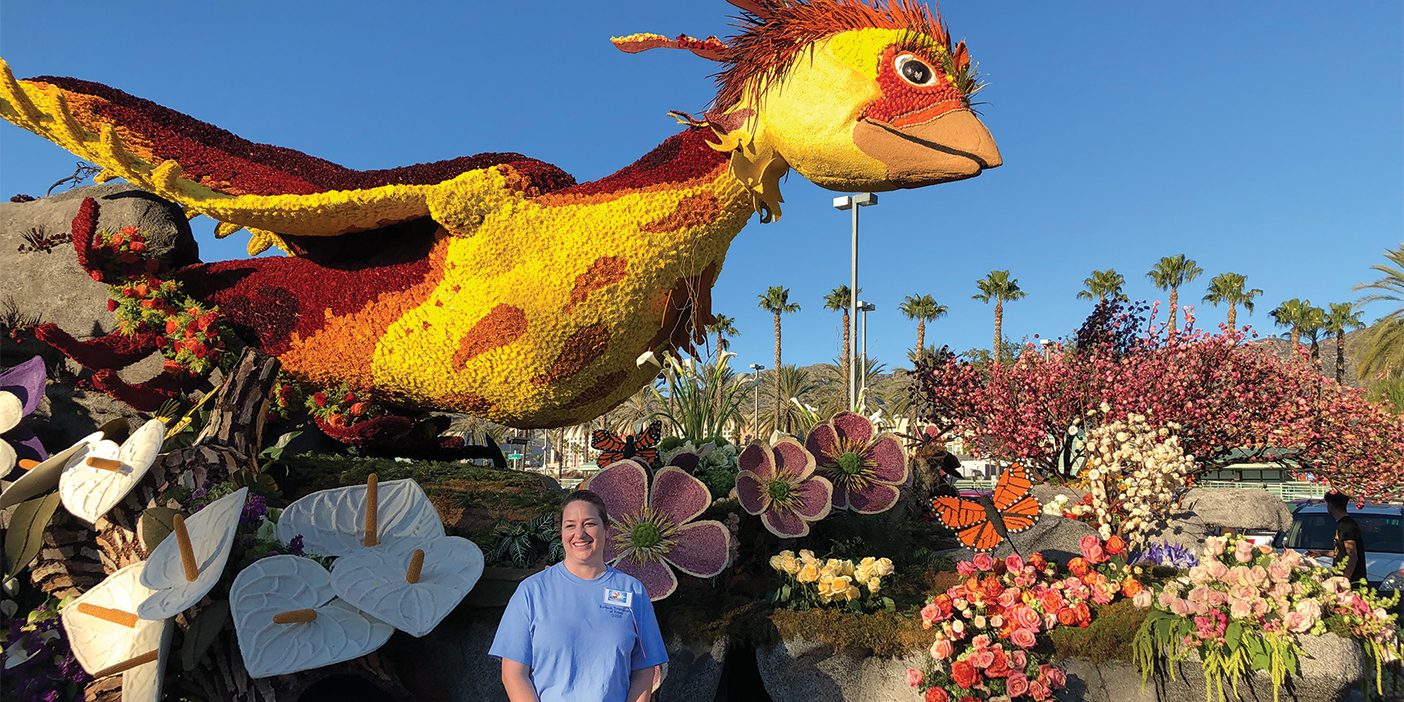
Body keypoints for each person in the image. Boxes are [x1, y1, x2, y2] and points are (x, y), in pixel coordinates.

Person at [490, 490, 667, 702]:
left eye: (589, 524)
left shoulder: (632, 592)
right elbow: (513, 674)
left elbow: (644, 670)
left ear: (606, 530)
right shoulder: (531, 592)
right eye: (570, 525)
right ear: (562, 532)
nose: (579, 534)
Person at [1325, 491, 1368, 584]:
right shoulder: (1342, 524)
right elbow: (1341, 552)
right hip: (1339, 577)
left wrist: (1345, 579)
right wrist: (1320, 553)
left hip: (1353, 581)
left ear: (1331, 505)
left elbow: (1353, 555)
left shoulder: (1347, 525)